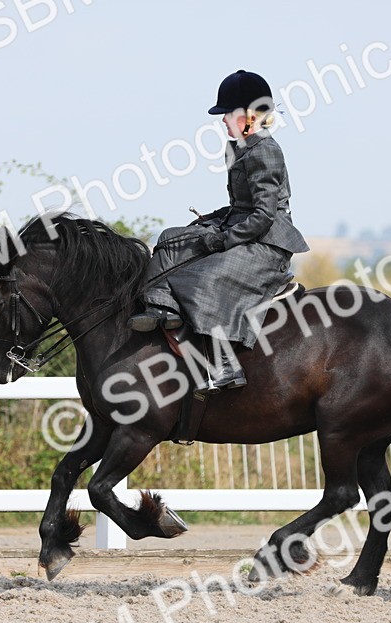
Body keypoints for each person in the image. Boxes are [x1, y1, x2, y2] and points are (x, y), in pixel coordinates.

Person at [128, 69, 309, 391]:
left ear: (249, 117)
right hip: (243, 228)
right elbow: (241, 206)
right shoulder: (237, 148)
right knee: (170, 239)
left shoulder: (265, 150)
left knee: (204, 278)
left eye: (228, 114)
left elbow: (264, 215)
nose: (223, 120)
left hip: (267, 243)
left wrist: (223, 239)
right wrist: (209, 221)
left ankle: (225, 366)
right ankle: (162, 309)